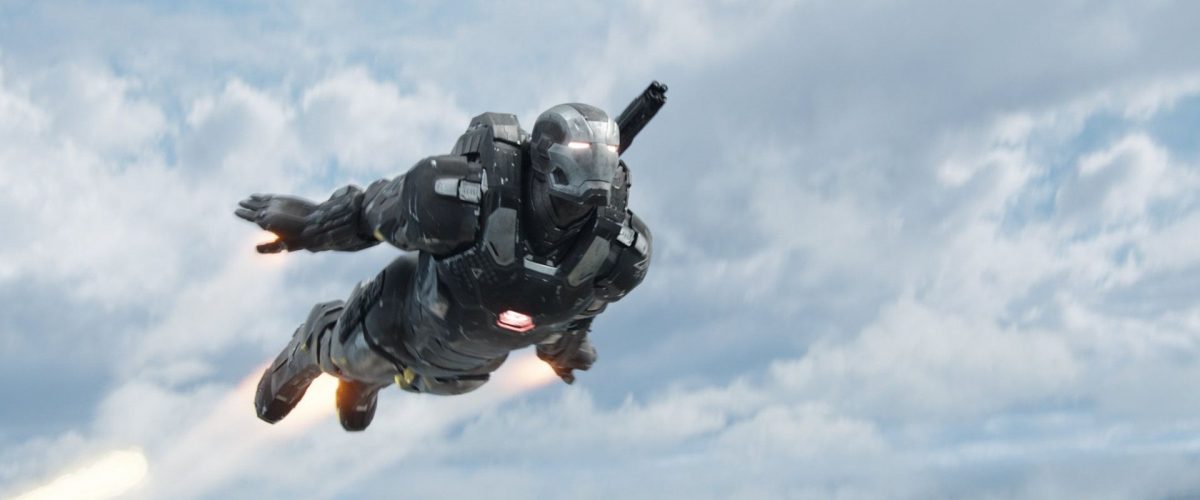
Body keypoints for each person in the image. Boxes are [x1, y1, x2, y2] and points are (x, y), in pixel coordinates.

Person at [235, 104, 652, 431]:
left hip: (470, 361)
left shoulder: (620, 254)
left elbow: (579, 308)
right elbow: (369, 213)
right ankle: (311, 345)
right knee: (356, 353)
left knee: (438, 381)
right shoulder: (456, 197)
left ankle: (367, 380)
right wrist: (310, 225)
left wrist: (563, 348)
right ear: (544, 165)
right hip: (407, 316)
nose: (572, 214)